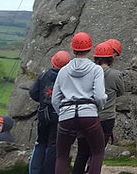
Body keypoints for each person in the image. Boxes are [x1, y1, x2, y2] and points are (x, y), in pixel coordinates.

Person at [52, 32, 106, 174]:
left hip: (66, 115)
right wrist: (97, 109)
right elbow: (100, 96)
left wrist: (63, 113)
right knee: (98, 151)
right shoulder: (96, 69)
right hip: (89, 114)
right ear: (90, 48)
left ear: (73, 49)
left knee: (62, 156)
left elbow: (55, 99)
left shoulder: (63, 71)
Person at [72, 42, 126, 174]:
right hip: (106, 118)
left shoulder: (87, 72)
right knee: (98, 152)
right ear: (111, 58)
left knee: (82, 153)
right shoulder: (116, 75)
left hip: (85, 116)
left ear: (95, 57)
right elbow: (121, 92)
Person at [29, 50, 70, 174]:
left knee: (40, 143)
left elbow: (33, 92)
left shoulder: (44, 75)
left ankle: (34, 171)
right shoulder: (67, 78)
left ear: (53, 62)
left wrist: (42, 100)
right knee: (53, 145)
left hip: (43, 113)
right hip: (58, 114)